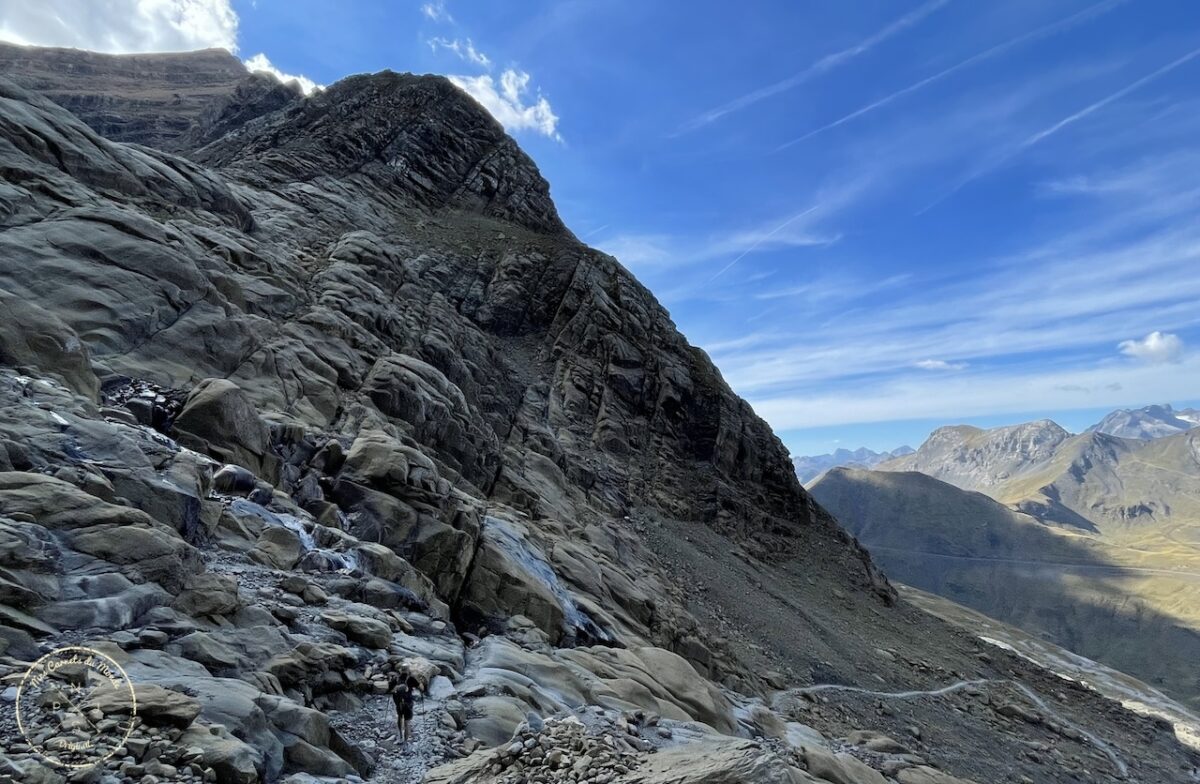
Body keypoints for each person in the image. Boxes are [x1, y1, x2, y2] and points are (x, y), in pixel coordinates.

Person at [391, 673, 421, 743]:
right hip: (408, 703)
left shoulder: (395, 679)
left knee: (400, 717)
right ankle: (406, 740)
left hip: (398, 703)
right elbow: (421, 688)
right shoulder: (411, 679)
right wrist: (419, 681)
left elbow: (391, 690)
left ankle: (400, 736)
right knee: (407, 721)